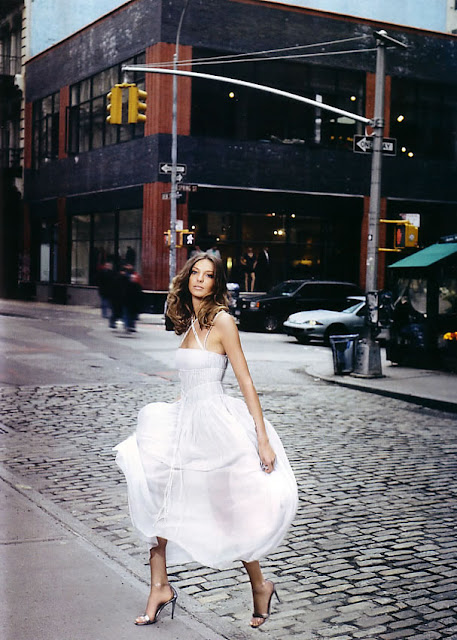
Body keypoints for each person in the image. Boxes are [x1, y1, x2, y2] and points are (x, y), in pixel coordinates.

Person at [113, 253, 297, 629]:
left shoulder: (223, 321)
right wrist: (177, 409)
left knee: (228, 511)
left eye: (208, 275)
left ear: (217, 282)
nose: (199, 280)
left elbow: (245, 381)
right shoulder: (188, 322)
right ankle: (159, 587)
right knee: (157, 493)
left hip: (216, 427)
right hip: (187, 420)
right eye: (195, 273)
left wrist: (262, 438)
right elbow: (191, 381)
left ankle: (260, 585)